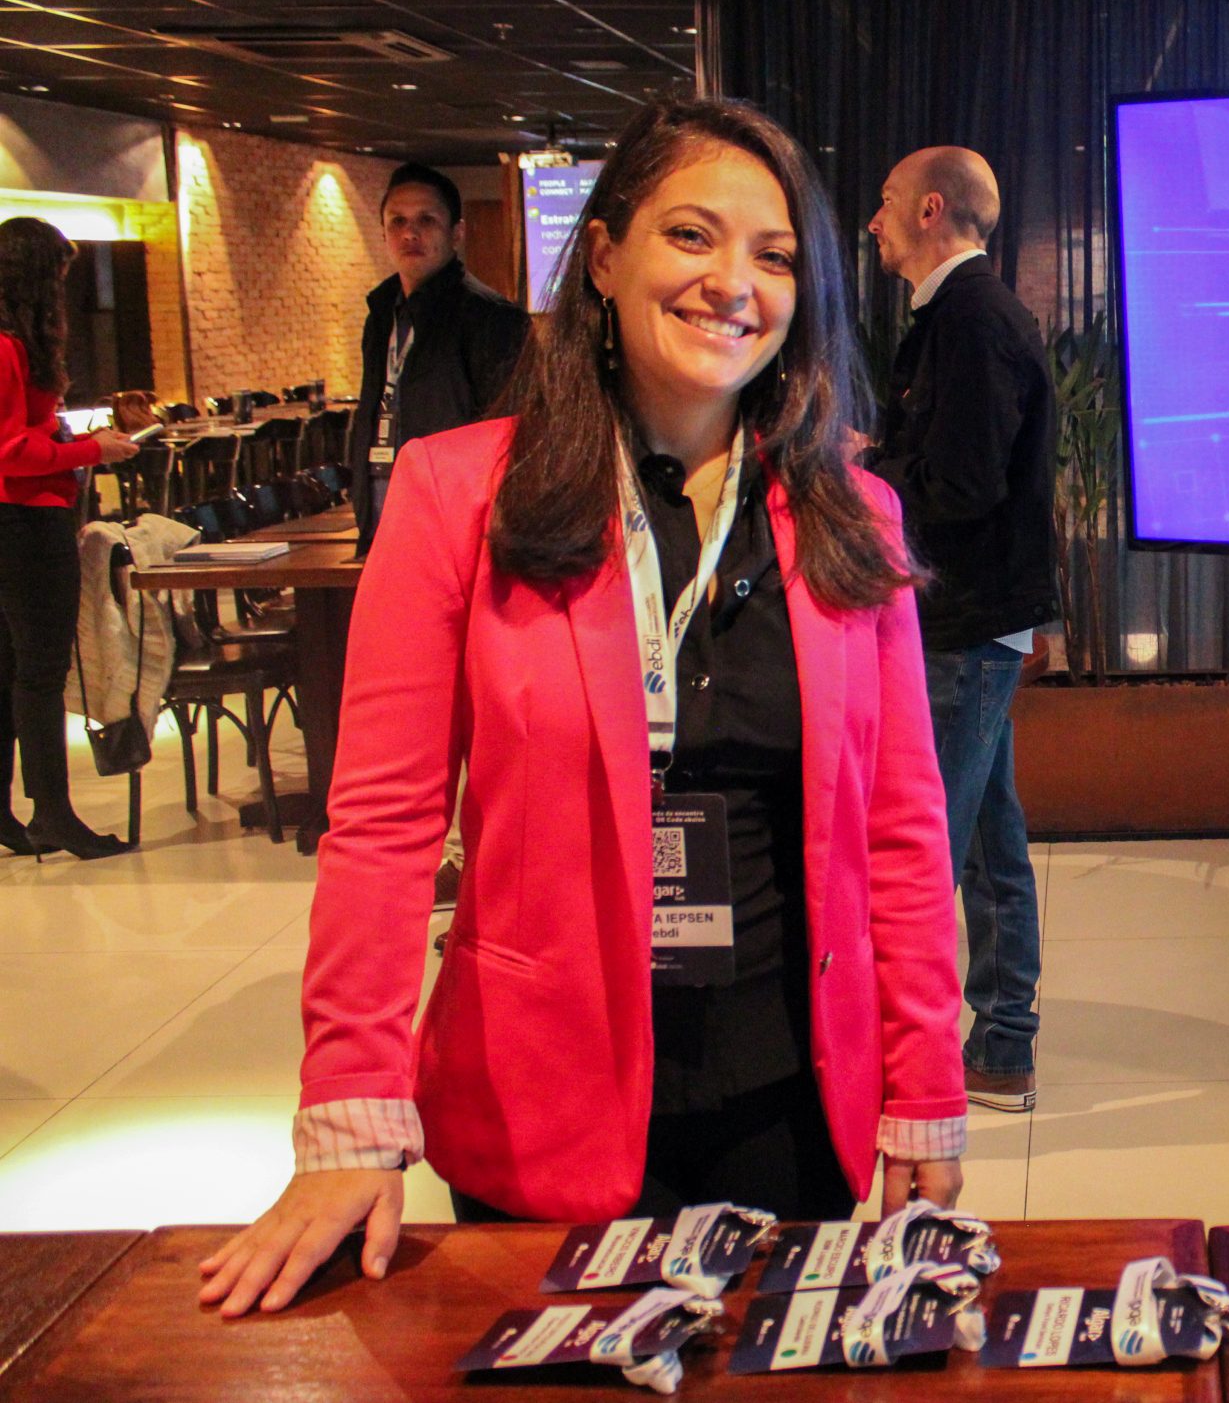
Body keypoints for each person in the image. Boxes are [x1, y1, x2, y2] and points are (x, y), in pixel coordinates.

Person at [199, 98, 966, 1319]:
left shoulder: (849, 514)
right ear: (604, 258)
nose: (733, 284)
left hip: (796, 1098)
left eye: (773, 257)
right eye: (692, 238)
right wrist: (349, 1114)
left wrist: (925, 1078)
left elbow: (904, 829)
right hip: (537, 1103)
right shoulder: (460, 492)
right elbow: (386, 822)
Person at [864, 146, 1057, 1113]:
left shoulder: (971, 320)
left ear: (931, 209)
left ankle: (916, 1053)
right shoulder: (963, 313)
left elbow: (963, 487)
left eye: (888, 202)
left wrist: (865, 475)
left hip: (963, 623)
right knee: (986, 837)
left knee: (926, 847)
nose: (874, 221)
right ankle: (1003, 1040)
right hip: (972, 620)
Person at [0, 216, 140, 860]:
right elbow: (8, 451)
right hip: (22, 520)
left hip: (20, 516)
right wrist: (90, 447)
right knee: (39, 672)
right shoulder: (7, 345)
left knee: (10, 670)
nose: (63, 289)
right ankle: (52, 813)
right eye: (57, 274)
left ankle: (9, 812)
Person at [348, 161, 528, 554]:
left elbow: (512, 436)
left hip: (456, 531)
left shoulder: (492, 318)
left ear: (456, 233)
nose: (410, 233)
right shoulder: (381, 316)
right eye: (397, 222)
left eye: (426, 220)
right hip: (382, 524)